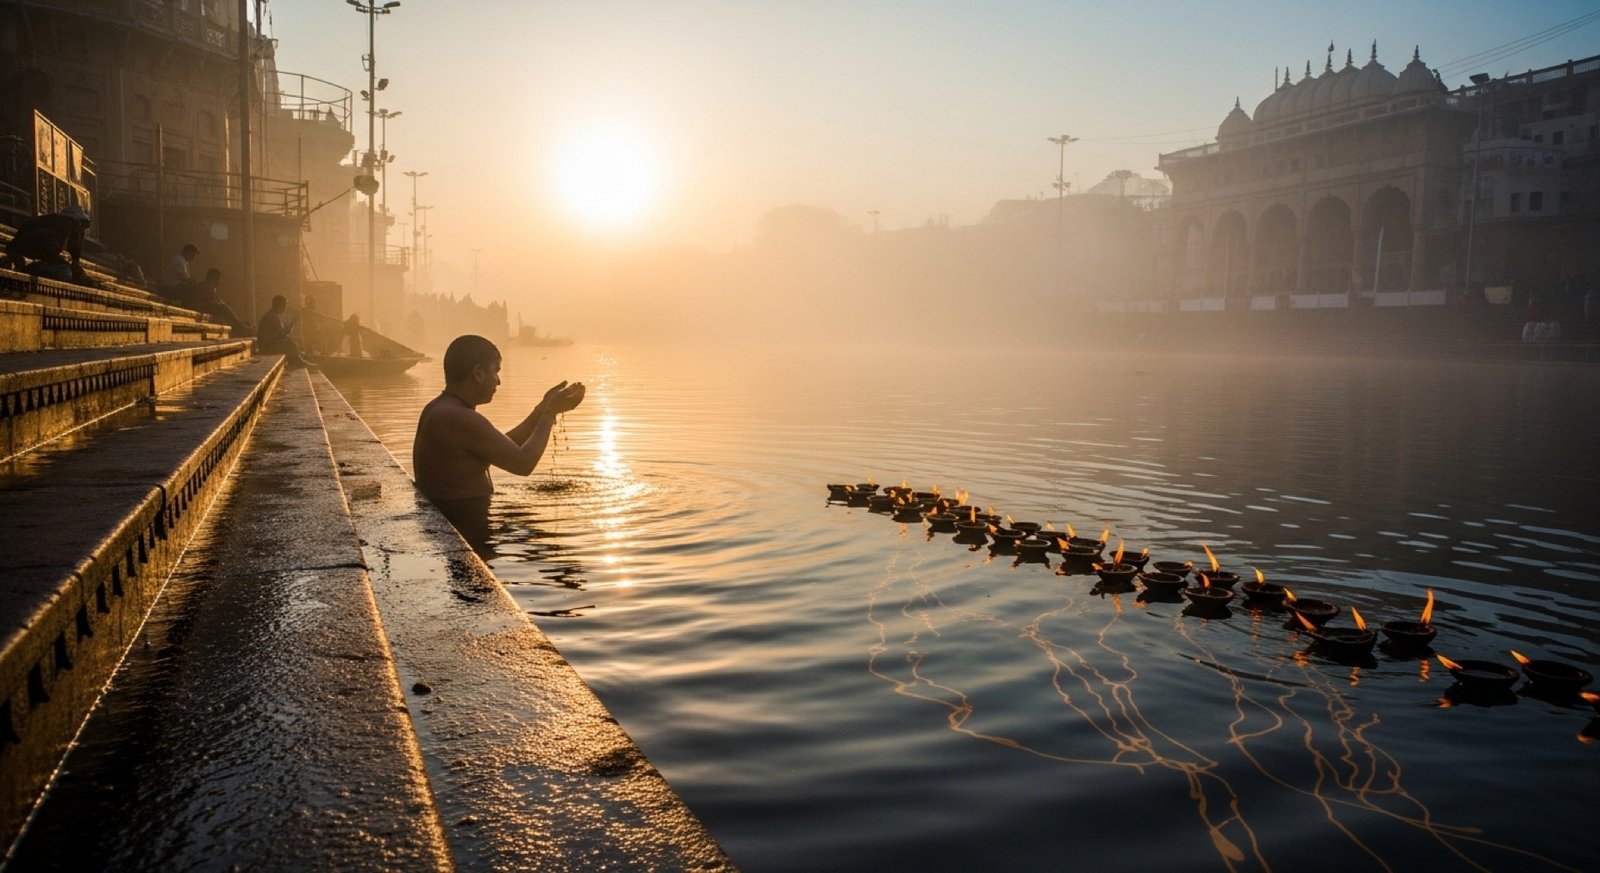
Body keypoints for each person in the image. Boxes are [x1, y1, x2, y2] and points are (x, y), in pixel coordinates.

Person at [413, 335, 585, 551]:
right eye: (496, 371)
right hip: (465, 531)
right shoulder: (459, 417)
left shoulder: (444, 408)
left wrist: (540, 410)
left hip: (461, 524)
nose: (498, 381)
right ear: (478, 373)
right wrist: (550, 413)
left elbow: (503, 448)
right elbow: (523, 463)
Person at [4, 204, 91, 282]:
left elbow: (75, 253)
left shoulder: (74, 231)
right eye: (78, 223)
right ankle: (28, 270)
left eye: (81, 224)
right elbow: (52, 253)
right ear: (69, 220)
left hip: (36, 253)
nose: (79, 227)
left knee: (66, 272)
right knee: (64, 273)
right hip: (20, 249)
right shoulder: (55, 227)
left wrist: (75, 264)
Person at [255, 294, 309, 367]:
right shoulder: (273, 316)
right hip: (267, 347)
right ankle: (296, 363)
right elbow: (283, 333)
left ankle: (297, 361)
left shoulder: (271, 315)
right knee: (291, 345)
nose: (285, 309)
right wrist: (294, 321)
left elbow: (280, 333)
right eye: (285, 306)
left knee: (290, 341)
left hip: (265, 345)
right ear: (281, 305)